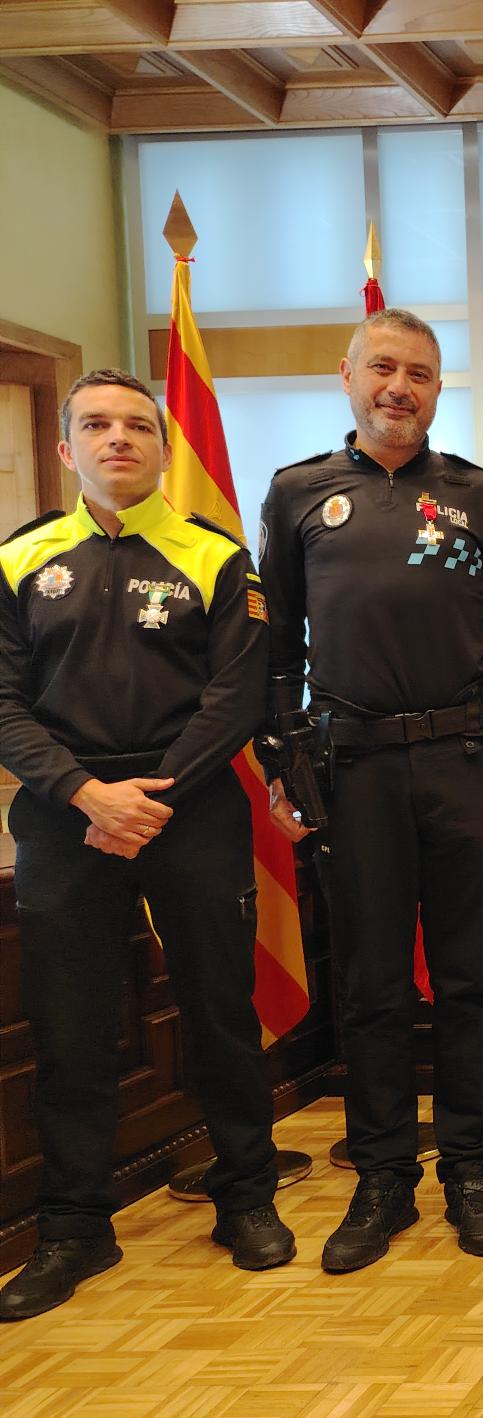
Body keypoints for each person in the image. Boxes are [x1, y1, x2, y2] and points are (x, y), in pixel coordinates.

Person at [259, 308, 483, 1273]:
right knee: (374, 984)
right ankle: (384, 1175)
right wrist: (279, 762)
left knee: (469, 979)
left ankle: (471, 1167)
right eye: (382, 368)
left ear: (438, 389)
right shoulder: (300, 493)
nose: (400, 386)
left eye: (420, 373)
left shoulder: (478, 496)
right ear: (348, 375)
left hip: (466, 763)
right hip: (353, 773)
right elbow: (274, 651)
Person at [0, 370, 293, 1320]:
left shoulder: (215, 557)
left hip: (190, 807)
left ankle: (245, 1195)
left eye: (137, 425)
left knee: (219, 1009)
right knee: (71, 1029)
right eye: (96, 425)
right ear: (65, 449)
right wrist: (85, 792)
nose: (118, 438)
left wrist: (148, 798)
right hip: (63, 814)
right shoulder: (20, 561)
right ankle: (75, 1227)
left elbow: (238, 695)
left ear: (164, 448)